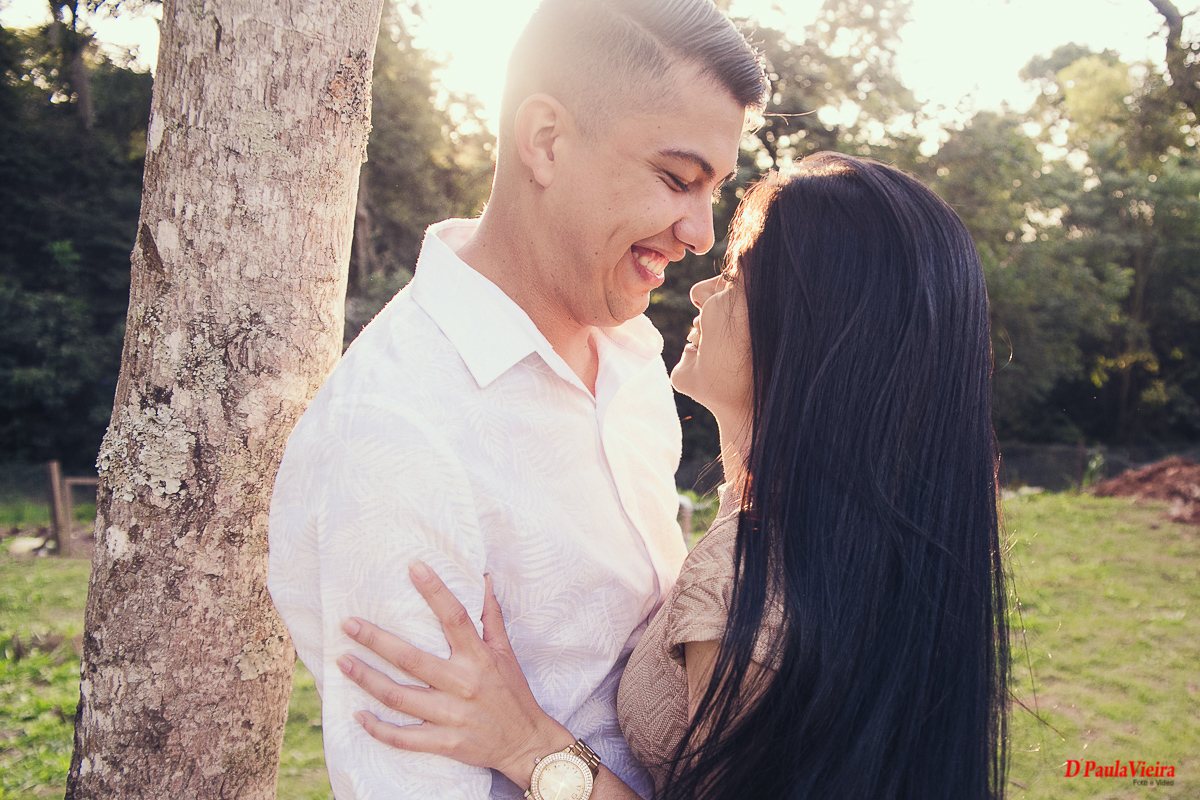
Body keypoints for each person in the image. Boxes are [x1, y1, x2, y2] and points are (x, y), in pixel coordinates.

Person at [335, 153, 1011, 800]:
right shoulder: (851, 546)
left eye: (739, 277)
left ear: (813, 338)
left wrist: (526, 744)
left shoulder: (746, 583)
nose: (701, 289)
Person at [266, 1, 768, 797]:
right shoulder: (395, 439)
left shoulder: (633, 355)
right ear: (546, 141)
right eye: (678, 179)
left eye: (713, 188)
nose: (703, 233)